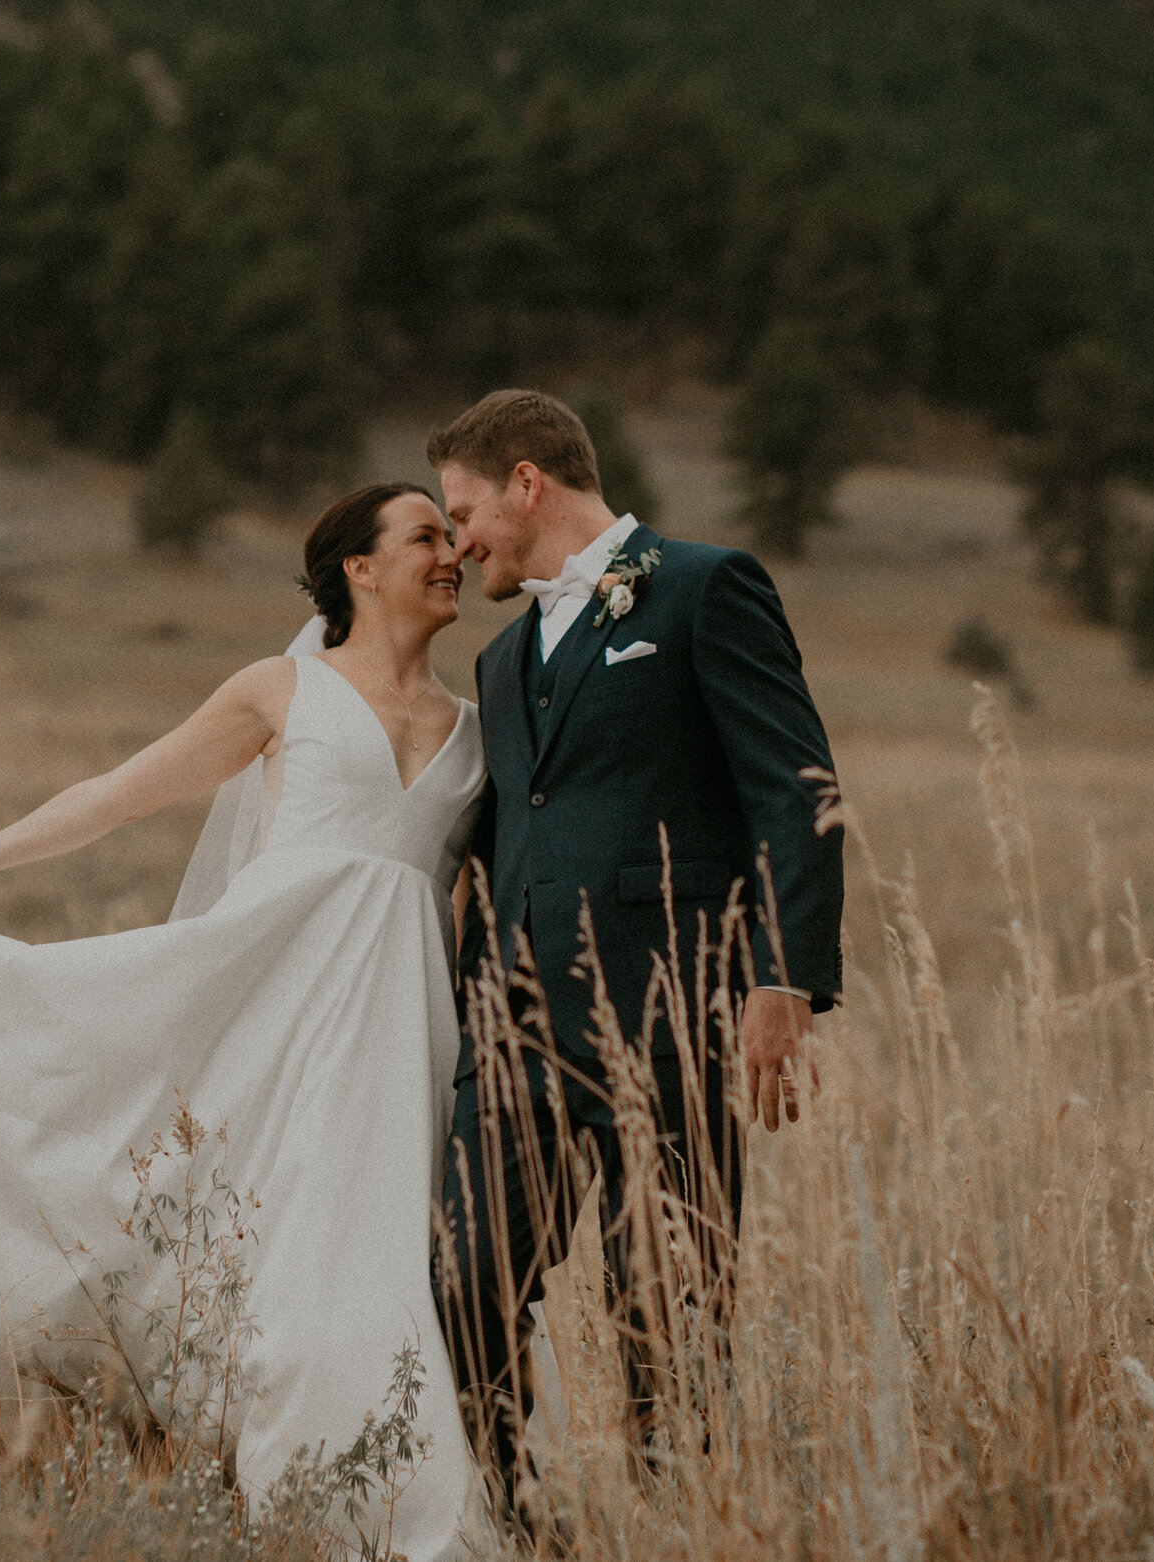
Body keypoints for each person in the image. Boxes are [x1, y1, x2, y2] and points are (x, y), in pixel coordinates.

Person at [0, 484, 497, 1562]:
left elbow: (466, 905)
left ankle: (374, 1508)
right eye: (426, 537)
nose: (452, 553)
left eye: (452, 537)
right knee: (302, 1265)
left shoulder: (477, 730)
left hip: (398, 1035)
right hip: (267, 1016)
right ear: (360, 567)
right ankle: (329, 1518)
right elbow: (126, 791)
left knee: (380, 1267)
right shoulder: (284, 690)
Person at [428, 389, 845, 1505]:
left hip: (667, 1012)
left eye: (462, 510)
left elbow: (794, 788)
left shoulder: (706, 588)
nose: (457, 541)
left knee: (666, 1296)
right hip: (510, 1029)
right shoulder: (498, 664)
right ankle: (511, 1516)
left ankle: (676, 1519)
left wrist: (781, 972)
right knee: (461, 1273)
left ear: (528, 480)